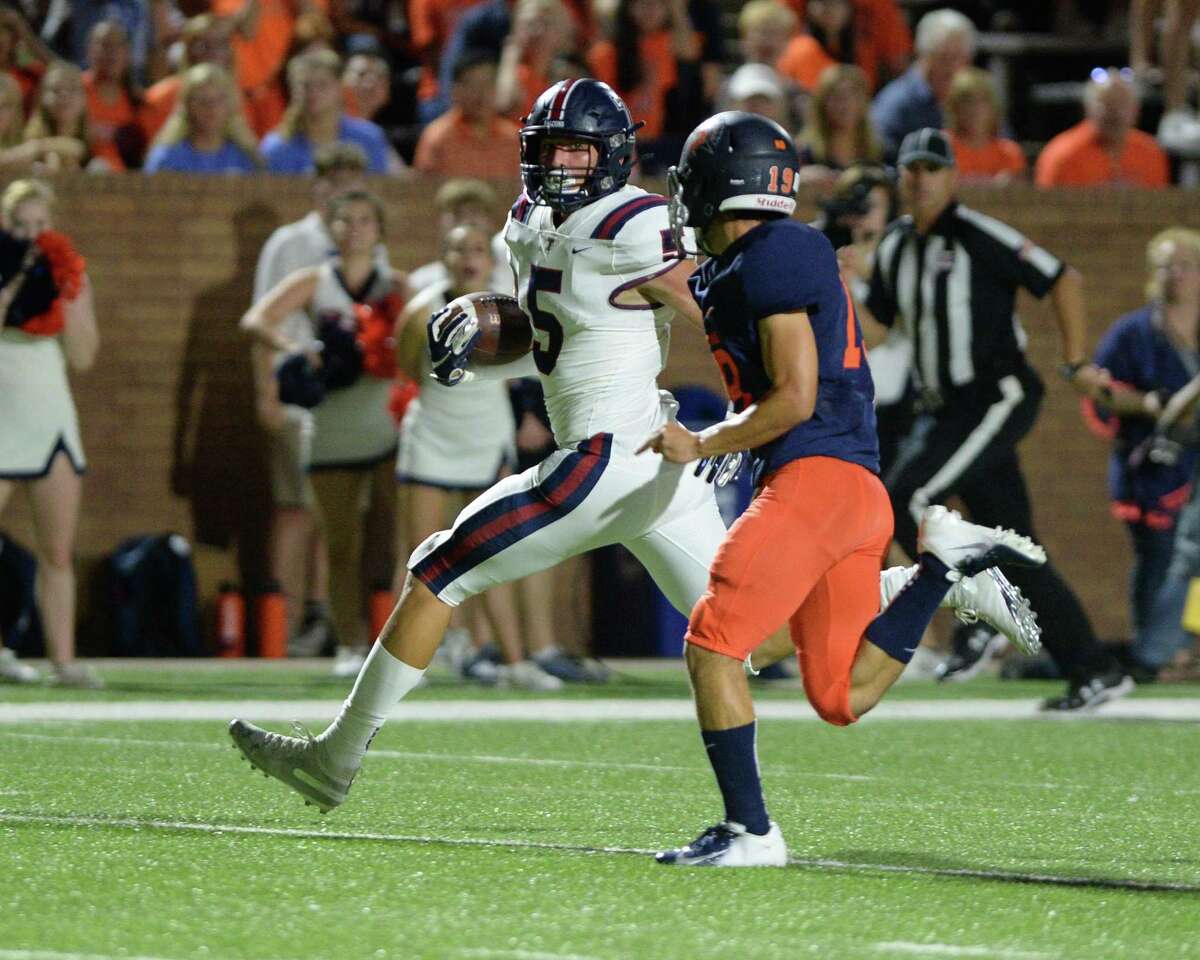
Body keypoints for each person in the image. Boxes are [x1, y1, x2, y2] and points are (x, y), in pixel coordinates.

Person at [228, 79, 1042, 815]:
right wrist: (482, 326)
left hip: (608, 456)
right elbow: (547, 326)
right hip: (650, 466)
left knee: (438, 568)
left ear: (614, 154)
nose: (562, 164)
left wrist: (767, 407)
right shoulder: (528, 222)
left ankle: (333, 760)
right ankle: (927, 580)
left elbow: (724, 308)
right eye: (549, 149)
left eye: (578, 149)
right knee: (752, 637)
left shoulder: (637, 222)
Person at [643, 112, 1042, 867]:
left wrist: (705, 442)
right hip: (846, 487)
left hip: (818, 481)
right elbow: (770, 376)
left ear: (726, 187)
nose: (684, 197)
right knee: (839, 697)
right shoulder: (743, 266)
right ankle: (939, 572)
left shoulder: (773, 257)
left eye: (694, 182)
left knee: (714, 643)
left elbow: (793, 397)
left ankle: (750, 833)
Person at [862, 127, 1134, 709]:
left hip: (993, 395)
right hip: (943, 409)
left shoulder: (978, 235)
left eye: (933, 167)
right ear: (901, 177)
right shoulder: (894, 247)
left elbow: (1062, 278)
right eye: (912, 168)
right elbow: (881, 328)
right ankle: (1092, 667)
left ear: (952, 176)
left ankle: (979, 621)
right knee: (1016, 545)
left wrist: (1076, 360)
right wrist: (839, 288)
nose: (921, 178)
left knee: (906, 497)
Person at [394, 223, 562, 690]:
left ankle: (515, 661)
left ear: (489, 258)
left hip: (487, 435)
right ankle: (405, 668)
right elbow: (409, 367)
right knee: (420, 557)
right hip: (432, 433)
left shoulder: (510, 309)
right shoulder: (421, 307)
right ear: (443, 257)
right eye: (456, 249)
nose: (467, 258)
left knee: (492, 551)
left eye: (475, 249)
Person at [243, 188, 403, 677]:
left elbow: (430, 331)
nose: (354, 229)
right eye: (344, 220)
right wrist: (296, 346)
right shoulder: (316, 280)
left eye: (364, 220)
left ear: (379, 230)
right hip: (331, 425)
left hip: (388, 424)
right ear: (330, 227)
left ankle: (403, 645)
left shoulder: (397, 284)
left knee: (400, 540)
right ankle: (349, 643)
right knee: (340, 542)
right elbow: (254, 319)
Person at [1075, 228, 1200, 676]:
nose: (1176, 275)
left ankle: (1177, 649)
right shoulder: (1134, 333)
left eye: (1186, 265)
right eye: (1167, 265)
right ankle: (1155, 650)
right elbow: (1098, 389)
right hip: (1155, 466)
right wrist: (1144, 404)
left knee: (1190, 563)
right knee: (1161, 557)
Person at [0, 178, 99, 688]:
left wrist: (65, 288)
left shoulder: (64, 271)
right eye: (21, 225)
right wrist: (14, 281)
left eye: (41, 225)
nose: (32, 235)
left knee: (57, 550)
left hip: (48, 408)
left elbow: (83, 356)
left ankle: (63, 659)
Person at [1035, 68, 1169, 189]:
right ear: (1087, 108)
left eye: (1122, 105)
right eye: (1107, 105)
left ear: (1136, 110)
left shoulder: (1151, 154)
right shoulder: (1062, 155)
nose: (1115, 113)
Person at [261, 49, 389, 175]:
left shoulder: (368, 139)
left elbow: (378, 190)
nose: (313, 93)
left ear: (340, 87)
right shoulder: (276, 148)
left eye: (322, 84)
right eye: (305, 85)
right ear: (292, 90)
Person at [870, 7, 974, 155]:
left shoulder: (979, 99)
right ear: (921, 55)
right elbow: (882, 163)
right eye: (943, 57)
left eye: (958, 57)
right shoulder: (896, 104)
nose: (951, 67)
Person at [412, 50, 521, 181]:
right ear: (455, 90)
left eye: (487, 83)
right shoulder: (438, 138)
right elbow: (422, 191)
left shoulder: (513, 139)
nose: (481, 93)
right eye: (472, 84)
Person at [144, 63, 261, 173]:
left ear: (230, 105)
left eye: (218, 100)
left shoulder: (246, 157)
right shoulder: (166, 158)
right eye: (201, 100)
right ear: (187, 106)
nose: (210, 107)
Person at [797, 63, 883, 193]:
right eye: (836, 97)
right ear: (821, 104)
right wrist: (801, 180)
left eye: (853, 95)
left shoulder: (880, 151)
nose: (845, 105)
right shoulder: (803, 153)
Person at [81, 19, 145, 170]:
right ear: (89, 50)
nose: (112, 52)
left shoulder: (138, 100)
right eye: (104, 45)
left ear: (128, 52)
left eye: (118, 45)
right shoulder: (75, 91)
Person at [943, 67, 1025, 183]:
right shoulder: (941, 146)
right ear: (954, 107)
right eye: (967, 101)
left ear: (994, 107)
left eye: (982, 101)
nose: (975, 109)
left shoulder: (1009, 153)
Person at [24, 61, 94, 173]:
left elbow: (79, 149)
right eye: (55, 90)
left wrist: (37, 148)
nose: (64, 94)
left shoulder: (96, 147)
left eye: (73, 89)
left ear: (84, 99)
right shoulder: (23, 141)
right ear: (42, 98)